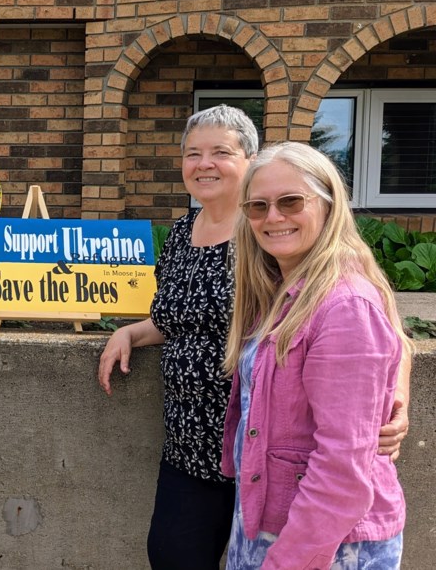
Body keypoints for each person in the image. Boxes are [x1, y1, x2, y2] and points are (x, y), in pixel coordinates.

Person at [96, 105, 409, 570]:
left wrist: (392, 402)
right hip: (204, 446)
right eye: (192, 153)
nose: (204, 163)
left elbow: (380, 330)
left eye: (220, 151)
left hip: (281, 462)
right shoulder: (201, 239)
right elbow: (180, 317)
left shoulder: (293, 255)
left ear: (252, 159)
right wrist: (131, 332)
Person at [222, 142, 412, 568]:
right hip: (278, 524)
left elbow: (342, 468)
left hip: (328, 544)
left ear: (327, 204)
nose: (273, 217)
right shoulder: (282, 291)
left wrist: (285, 562)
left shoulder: (344, 306)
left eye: (290, 201)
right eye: (258, 206)